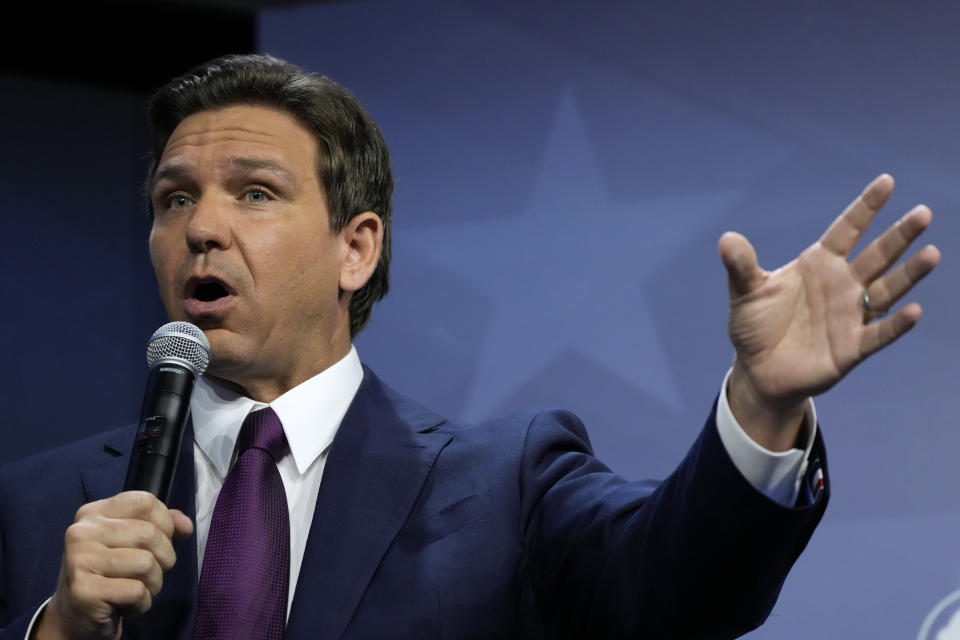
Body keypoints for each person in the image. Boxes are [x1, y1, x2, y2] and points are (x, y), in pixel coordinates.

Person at [0, 54, 940, 640]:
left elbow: (678, 592)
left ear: (354, 248)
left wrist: (764, 403)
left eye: (253, 192)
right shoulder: (39, 505)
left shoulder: (507, 484)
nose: (201, 228)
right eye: (175, 199)